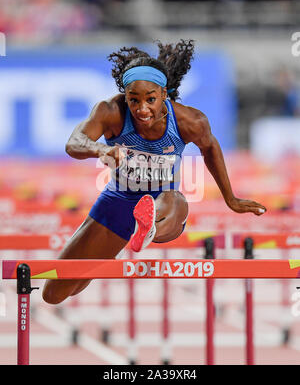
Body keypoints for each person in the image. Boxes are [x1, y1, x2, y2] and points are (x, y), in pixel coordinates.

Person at [42, 39, 266, 305]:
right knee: (55, 293)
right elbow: (74, 143)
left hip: (165, 205)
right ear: (125, 95)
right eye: (134, 100)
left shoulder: (188, 120)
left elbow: (210, 149)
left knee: (175, 199)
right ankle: (127, 236)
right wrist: (99, 149)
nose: (142, 109)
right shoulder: (111, 112)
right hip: (117, 201)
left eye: (150, 99)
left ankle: (147, 228)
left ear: (163, 94)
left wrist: (231, 198)